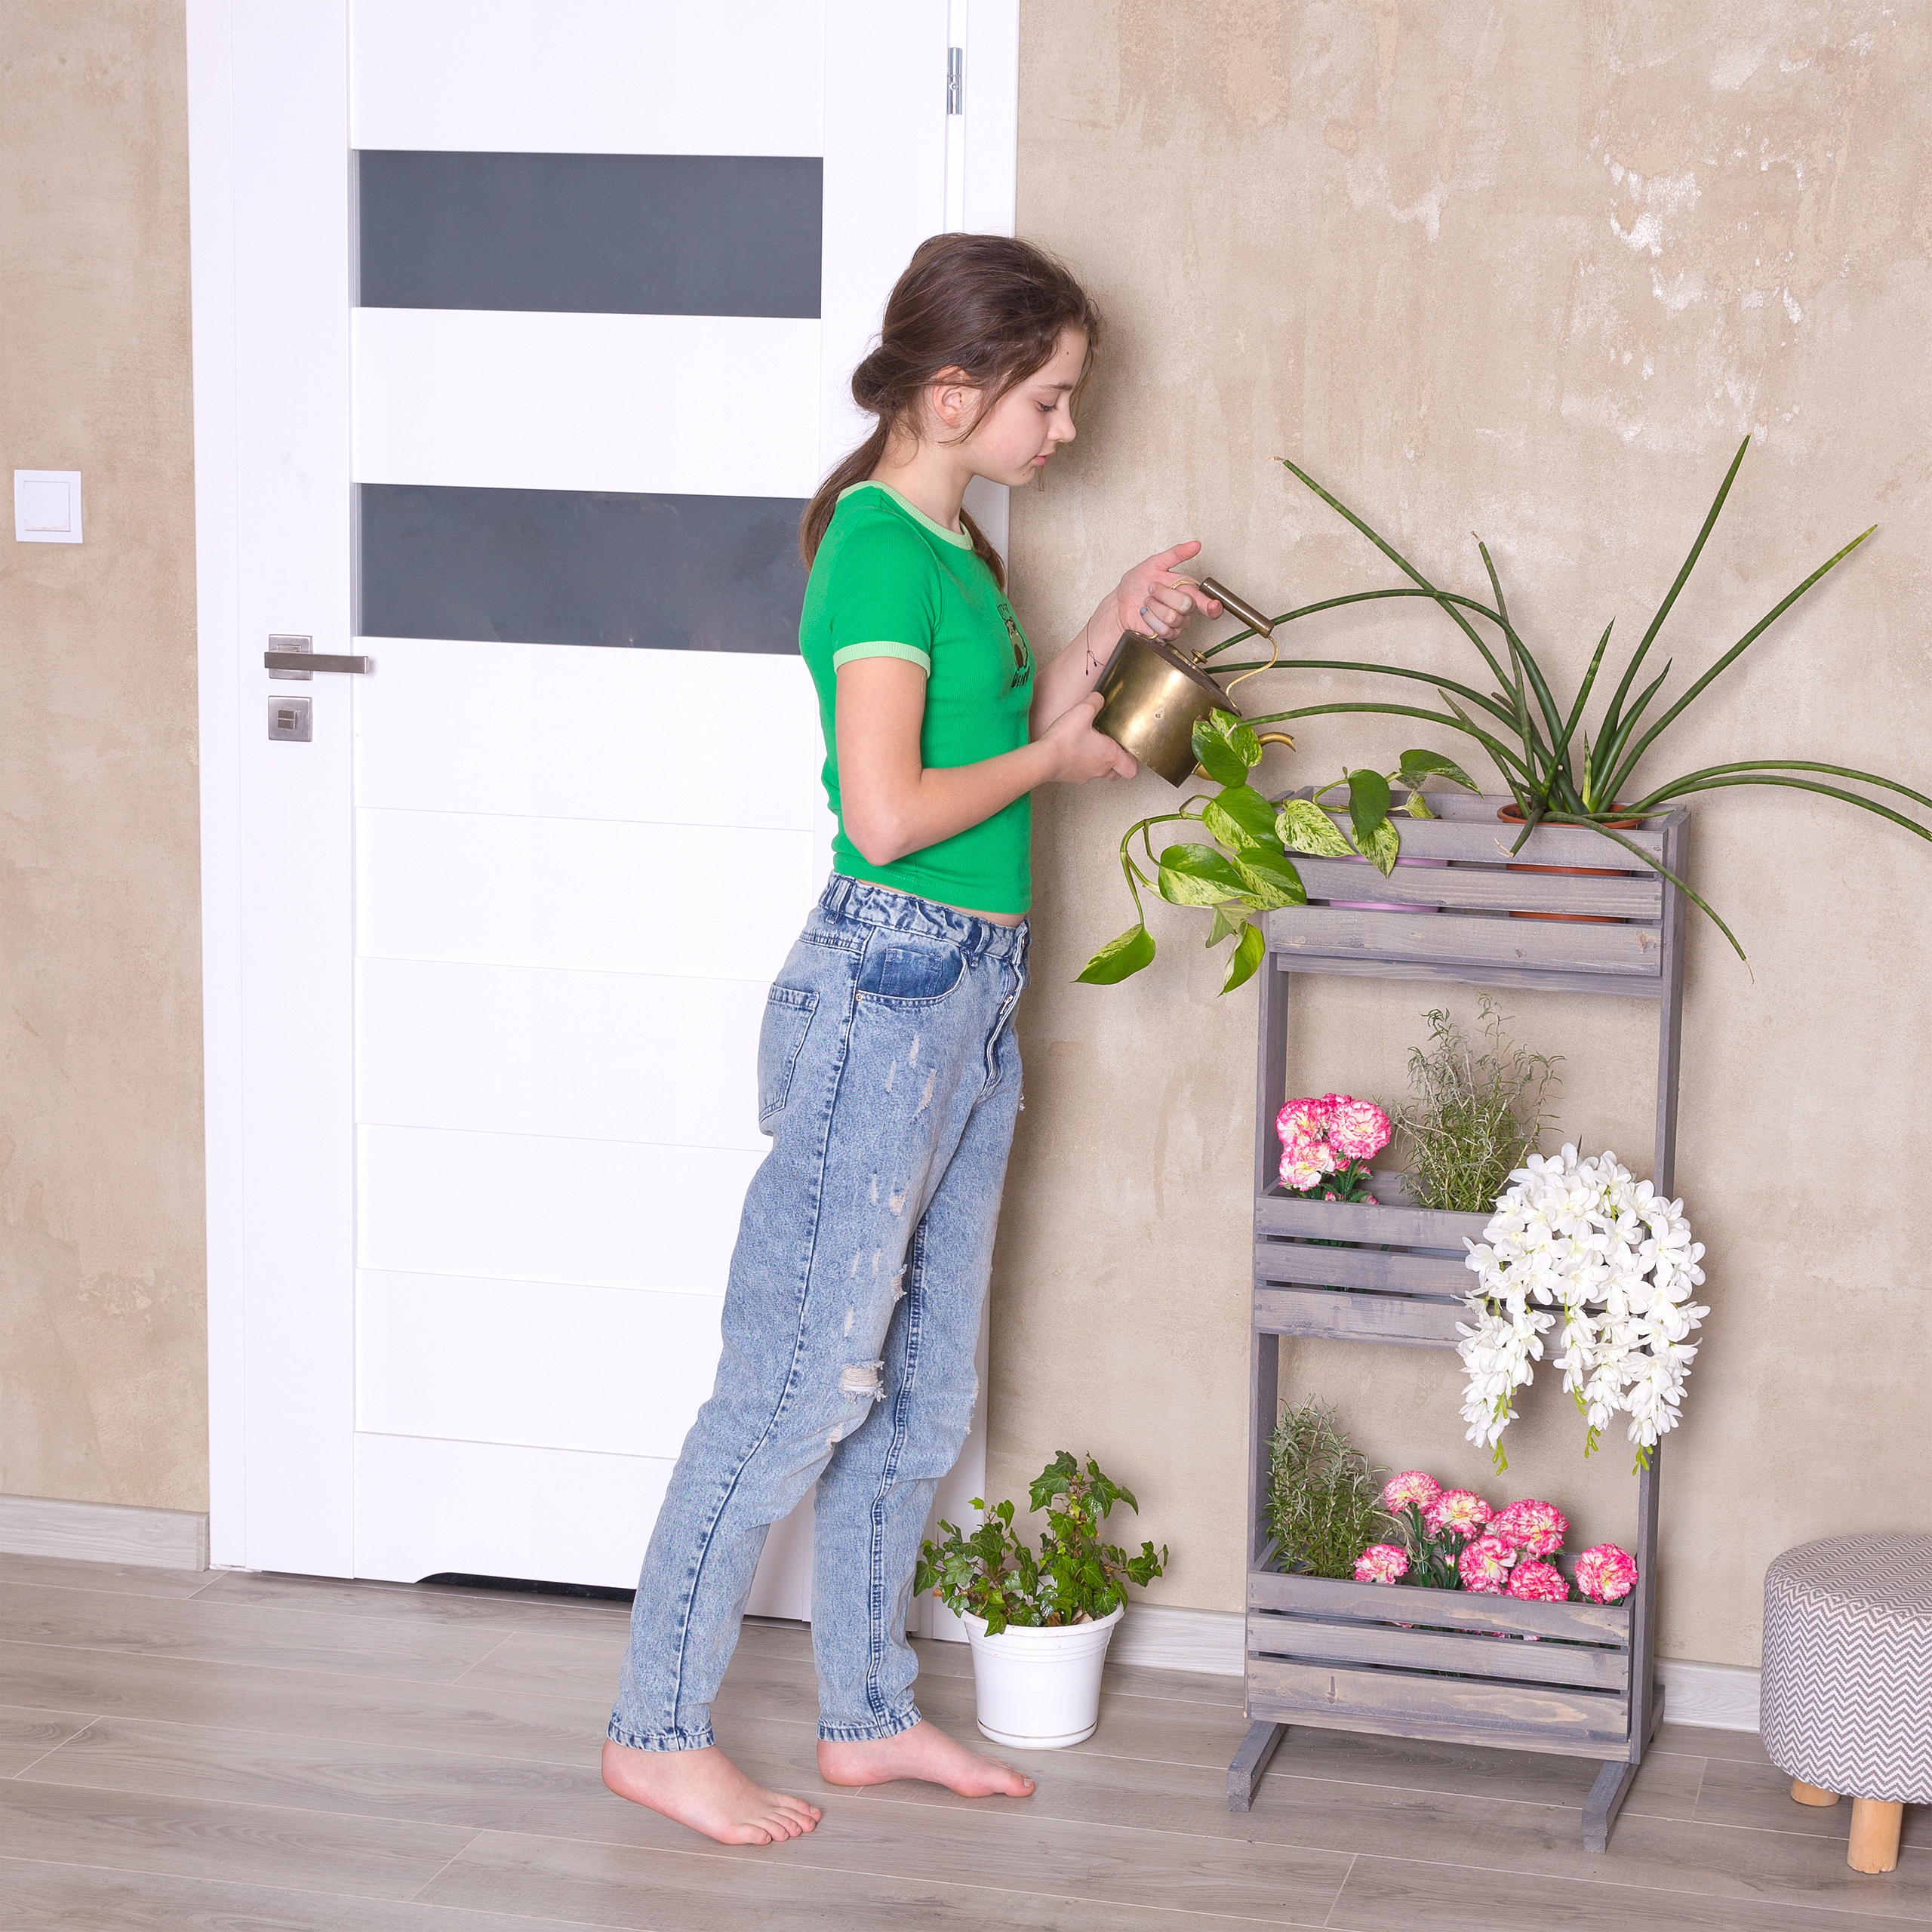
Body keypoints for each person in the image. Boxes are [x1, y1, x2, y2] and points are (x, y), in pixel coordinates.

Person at [601, 232, 1221, 1845]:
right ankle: (656, 1730)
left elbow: (993, 736)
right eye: (1048, 400)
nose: (1065, 430)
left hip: (969, 994)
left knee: (924, 1386)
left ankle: (868, 1713)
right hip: (885, 989)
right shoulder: (879, 553)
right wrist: (1062, 765)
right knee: (795, 1383)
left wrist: (1102, 633)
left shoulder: (956, 546)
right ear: (954, 393)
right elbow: (888, 816)